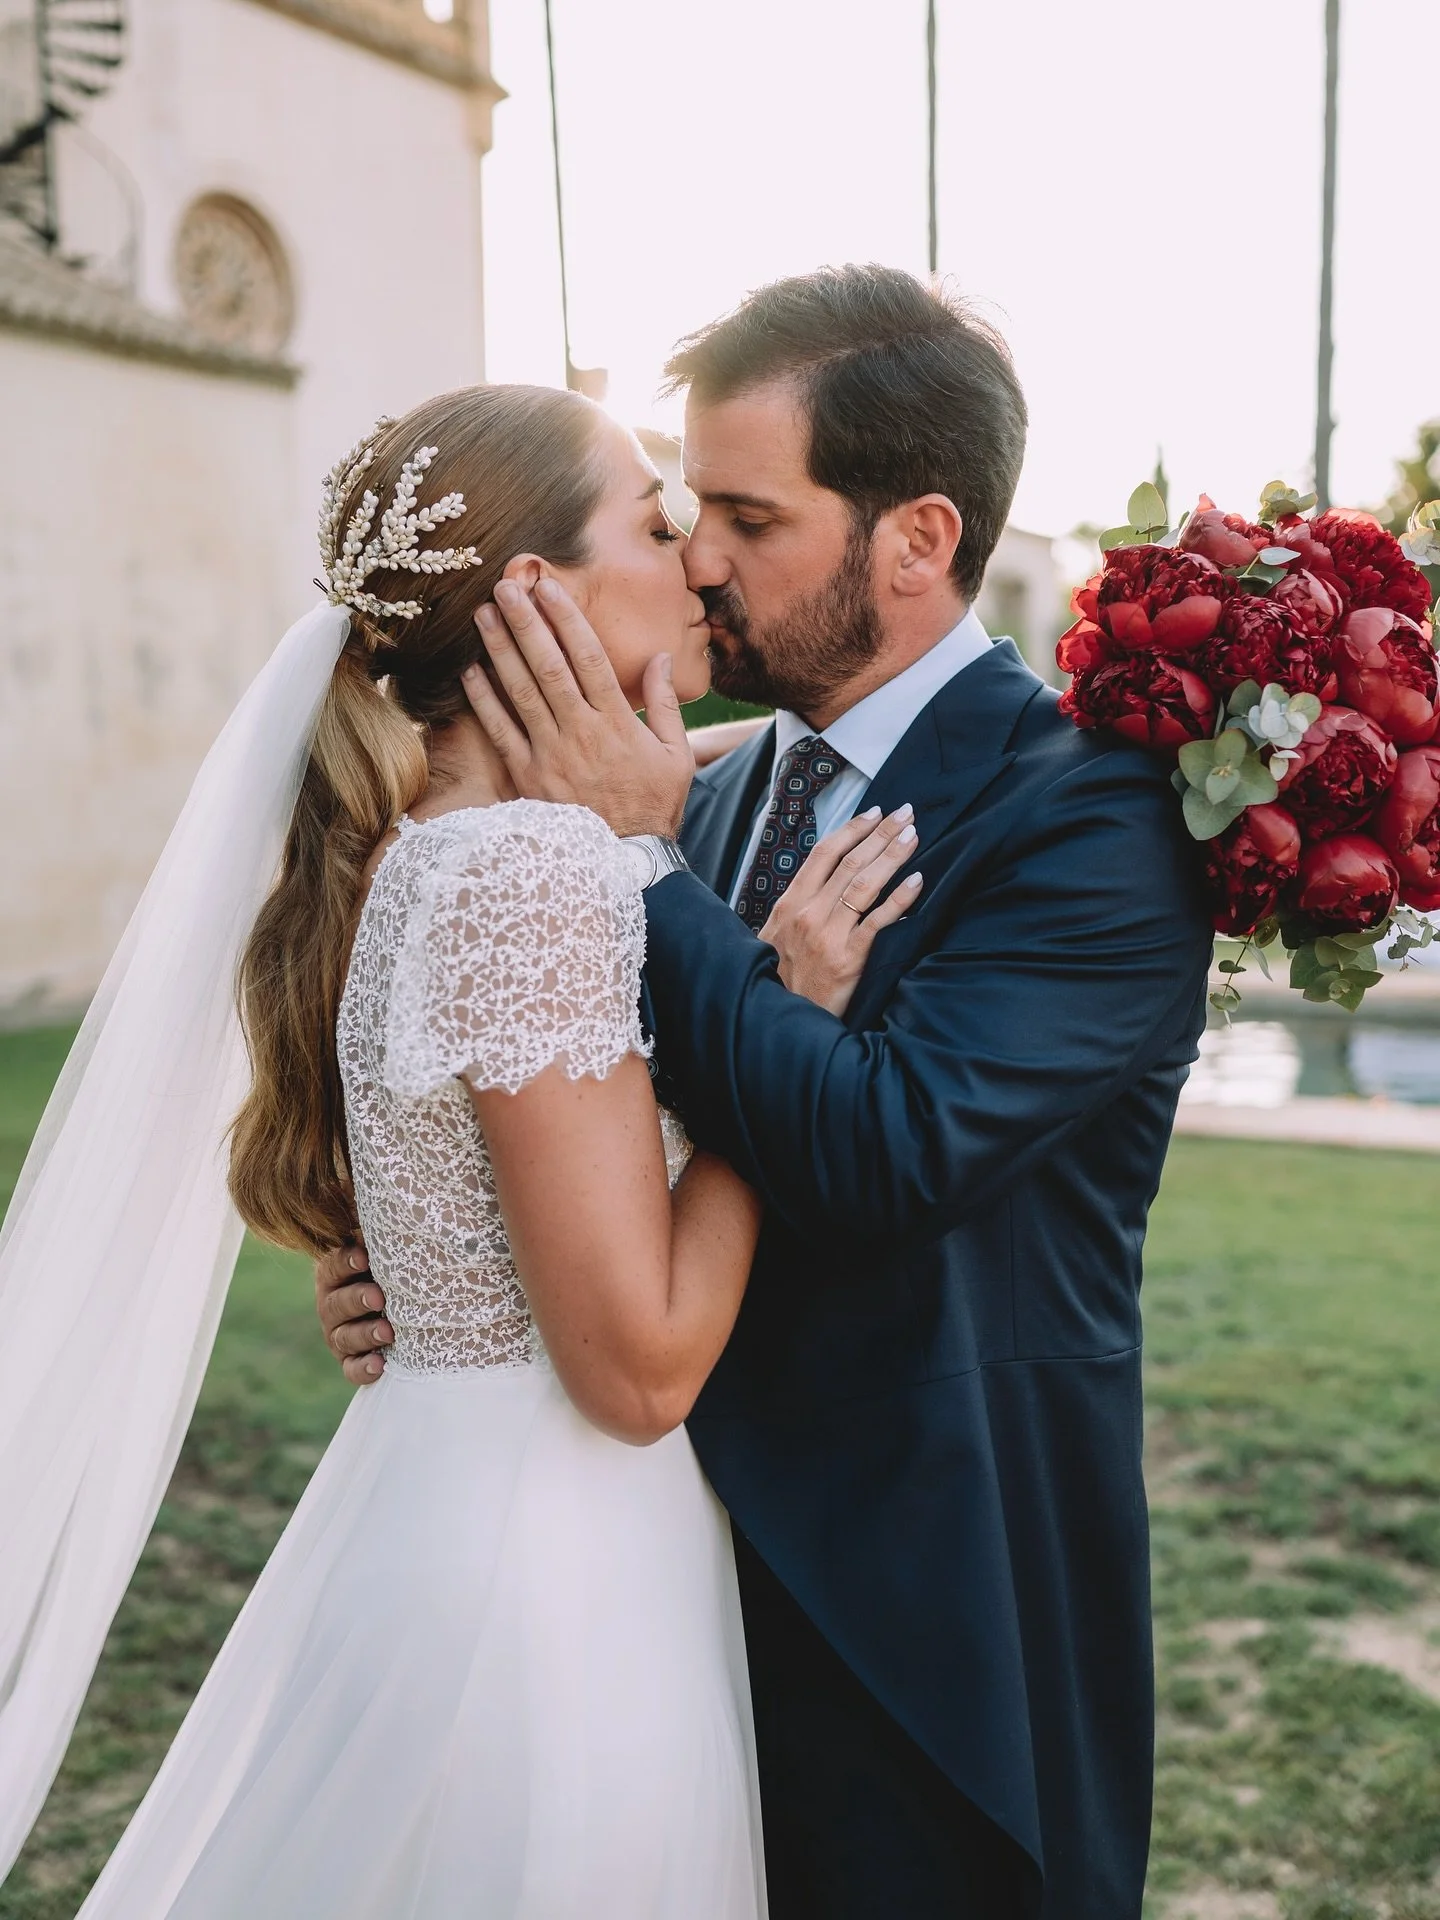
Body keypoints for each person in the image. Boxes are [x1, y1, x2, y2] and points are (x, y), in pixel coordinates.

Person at [323, 266, 1215, 1919]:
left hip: (924, 1633)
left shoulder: (1094, 819)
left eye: (747, 516)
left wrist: (649, 862)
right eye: (685, 511)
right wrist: (452, 1271)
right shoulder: (701, 777)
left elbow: (888, 1154)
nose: (702, 560)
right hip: (648, 1591)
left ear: (918, 539)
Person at [0, 382, 921, 1917]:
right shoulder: (530, 876)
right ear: (537, 595)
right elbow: (639, 1374)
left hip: (448, 1504)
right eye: (656, 525)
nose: (696, 560)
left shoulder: (419, 842)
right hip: (551, 1577)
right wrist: (789, 1025)